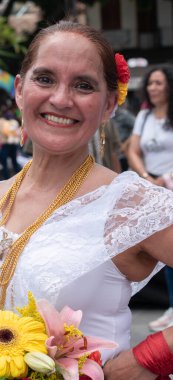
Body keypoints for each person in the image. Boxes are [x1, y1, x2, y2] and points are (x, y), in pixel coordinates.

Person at [0, 21, 173, 380]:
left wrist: (140, 363)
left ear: (108, 104)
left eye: (83, 85)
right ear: (19, 89)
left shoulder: (130, 205)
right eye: (44, 79)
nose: (61, 99)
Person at [128, 65, 173, 333]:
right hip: (153, 188)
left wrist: (168, 176)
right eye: (151, 83)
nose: (153, 88)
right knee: (161, 250)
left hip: (171, 183)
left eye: (159, 83)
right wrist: (145, 175)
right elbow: (133, 150)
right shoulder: (143, 116)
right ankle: (171, 306)